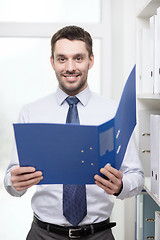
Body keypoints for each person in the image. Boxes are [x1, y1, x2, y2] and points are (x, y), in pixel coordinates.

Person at [4, 25, 144, 240]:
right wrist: (14, 184)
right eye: (62, 59)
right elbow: (12, 179)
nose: (70, 67)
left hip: (99, 234)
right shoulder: (31, 112)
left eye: (78, 58)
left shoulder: (114, 112)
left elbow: (136, 175)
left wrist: (121, 186)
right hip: (43, 234)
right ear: (52, 62)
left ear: (91, 60)